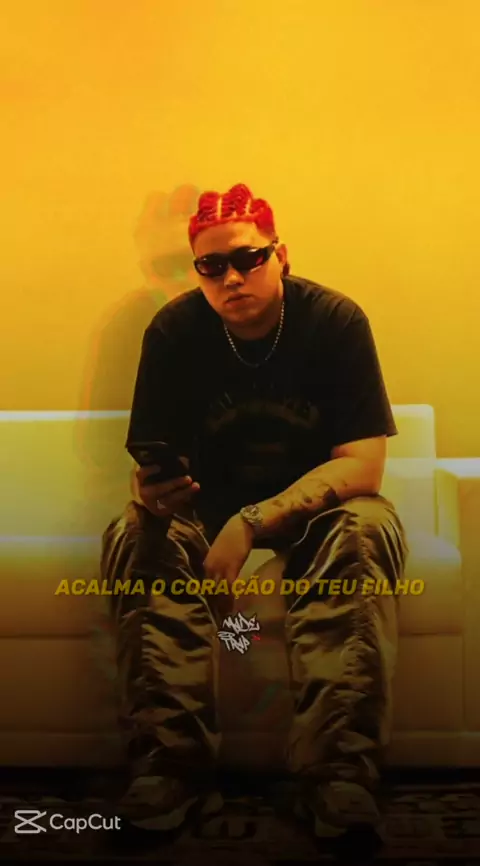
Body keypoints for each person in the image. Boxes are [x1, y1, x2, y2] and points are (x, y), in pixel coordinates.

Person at [101, 182, 408, 840]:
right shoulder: (175, 331)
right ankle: (170, 769)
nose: (231, 278)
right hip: (203, 515)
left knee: (366, 525)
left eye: (248, 258)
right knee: (134, 530)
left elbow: (363, 465)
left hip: (313, 522)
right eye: (211, 266)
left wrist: (251, 523)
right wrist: (151, 493)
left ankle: (337, 775)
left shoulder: (334, 322)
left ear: (281, 255)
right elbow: (151, 460)